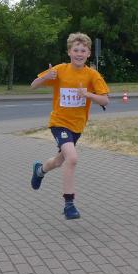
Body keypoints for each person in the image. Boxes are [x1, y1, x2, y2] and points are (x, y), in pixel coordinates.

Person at [29, 33, 109, 220]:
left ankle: (39, 170)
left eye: (83, 50)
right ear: (69, 52)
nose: (79, 54)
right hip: (59, 122)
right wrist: (46, 77)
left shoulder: (92, 75)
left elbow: (105, 100)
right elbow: (33, 85)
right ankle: (69, 204)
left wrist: (88, 95)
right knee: (72, 158)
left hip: (77, 126)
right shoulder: (60, 70)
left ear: (88, 53)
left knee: (59, 162)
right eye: (76, 50)